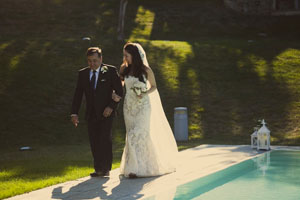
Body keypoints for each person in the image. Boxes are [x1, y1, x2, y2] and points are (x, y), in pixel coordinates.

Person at [113, 42, 178, 178]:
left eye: (127, 55)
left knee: (140, 134)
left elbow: (154, 86)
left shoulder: (146, 70)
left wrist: (145, 92)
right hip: (129, 106)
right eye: (124, 55)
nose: (125, 58)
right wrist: (115, 93)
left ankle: (143, 167)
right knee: (131, 134)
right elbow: (120, 85)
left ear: (134, 55)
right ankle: (132, 168)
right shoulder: (123, 68)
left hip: (143, 106)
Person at [71, 47, 123, 177]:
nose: (92, 64)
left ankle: (105, 168)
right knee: (94, 140)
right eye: (89, 61)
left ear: (101, 59)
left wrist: (111, 107)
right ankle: (98, 168)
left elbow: (119, 91)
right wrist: (74, 113)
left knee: (104, 138)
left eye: (95, 60)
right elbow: (78, 94)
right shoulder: (82, 74)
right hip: (91, 113)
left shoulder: (110, 71)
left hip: (107, 113)